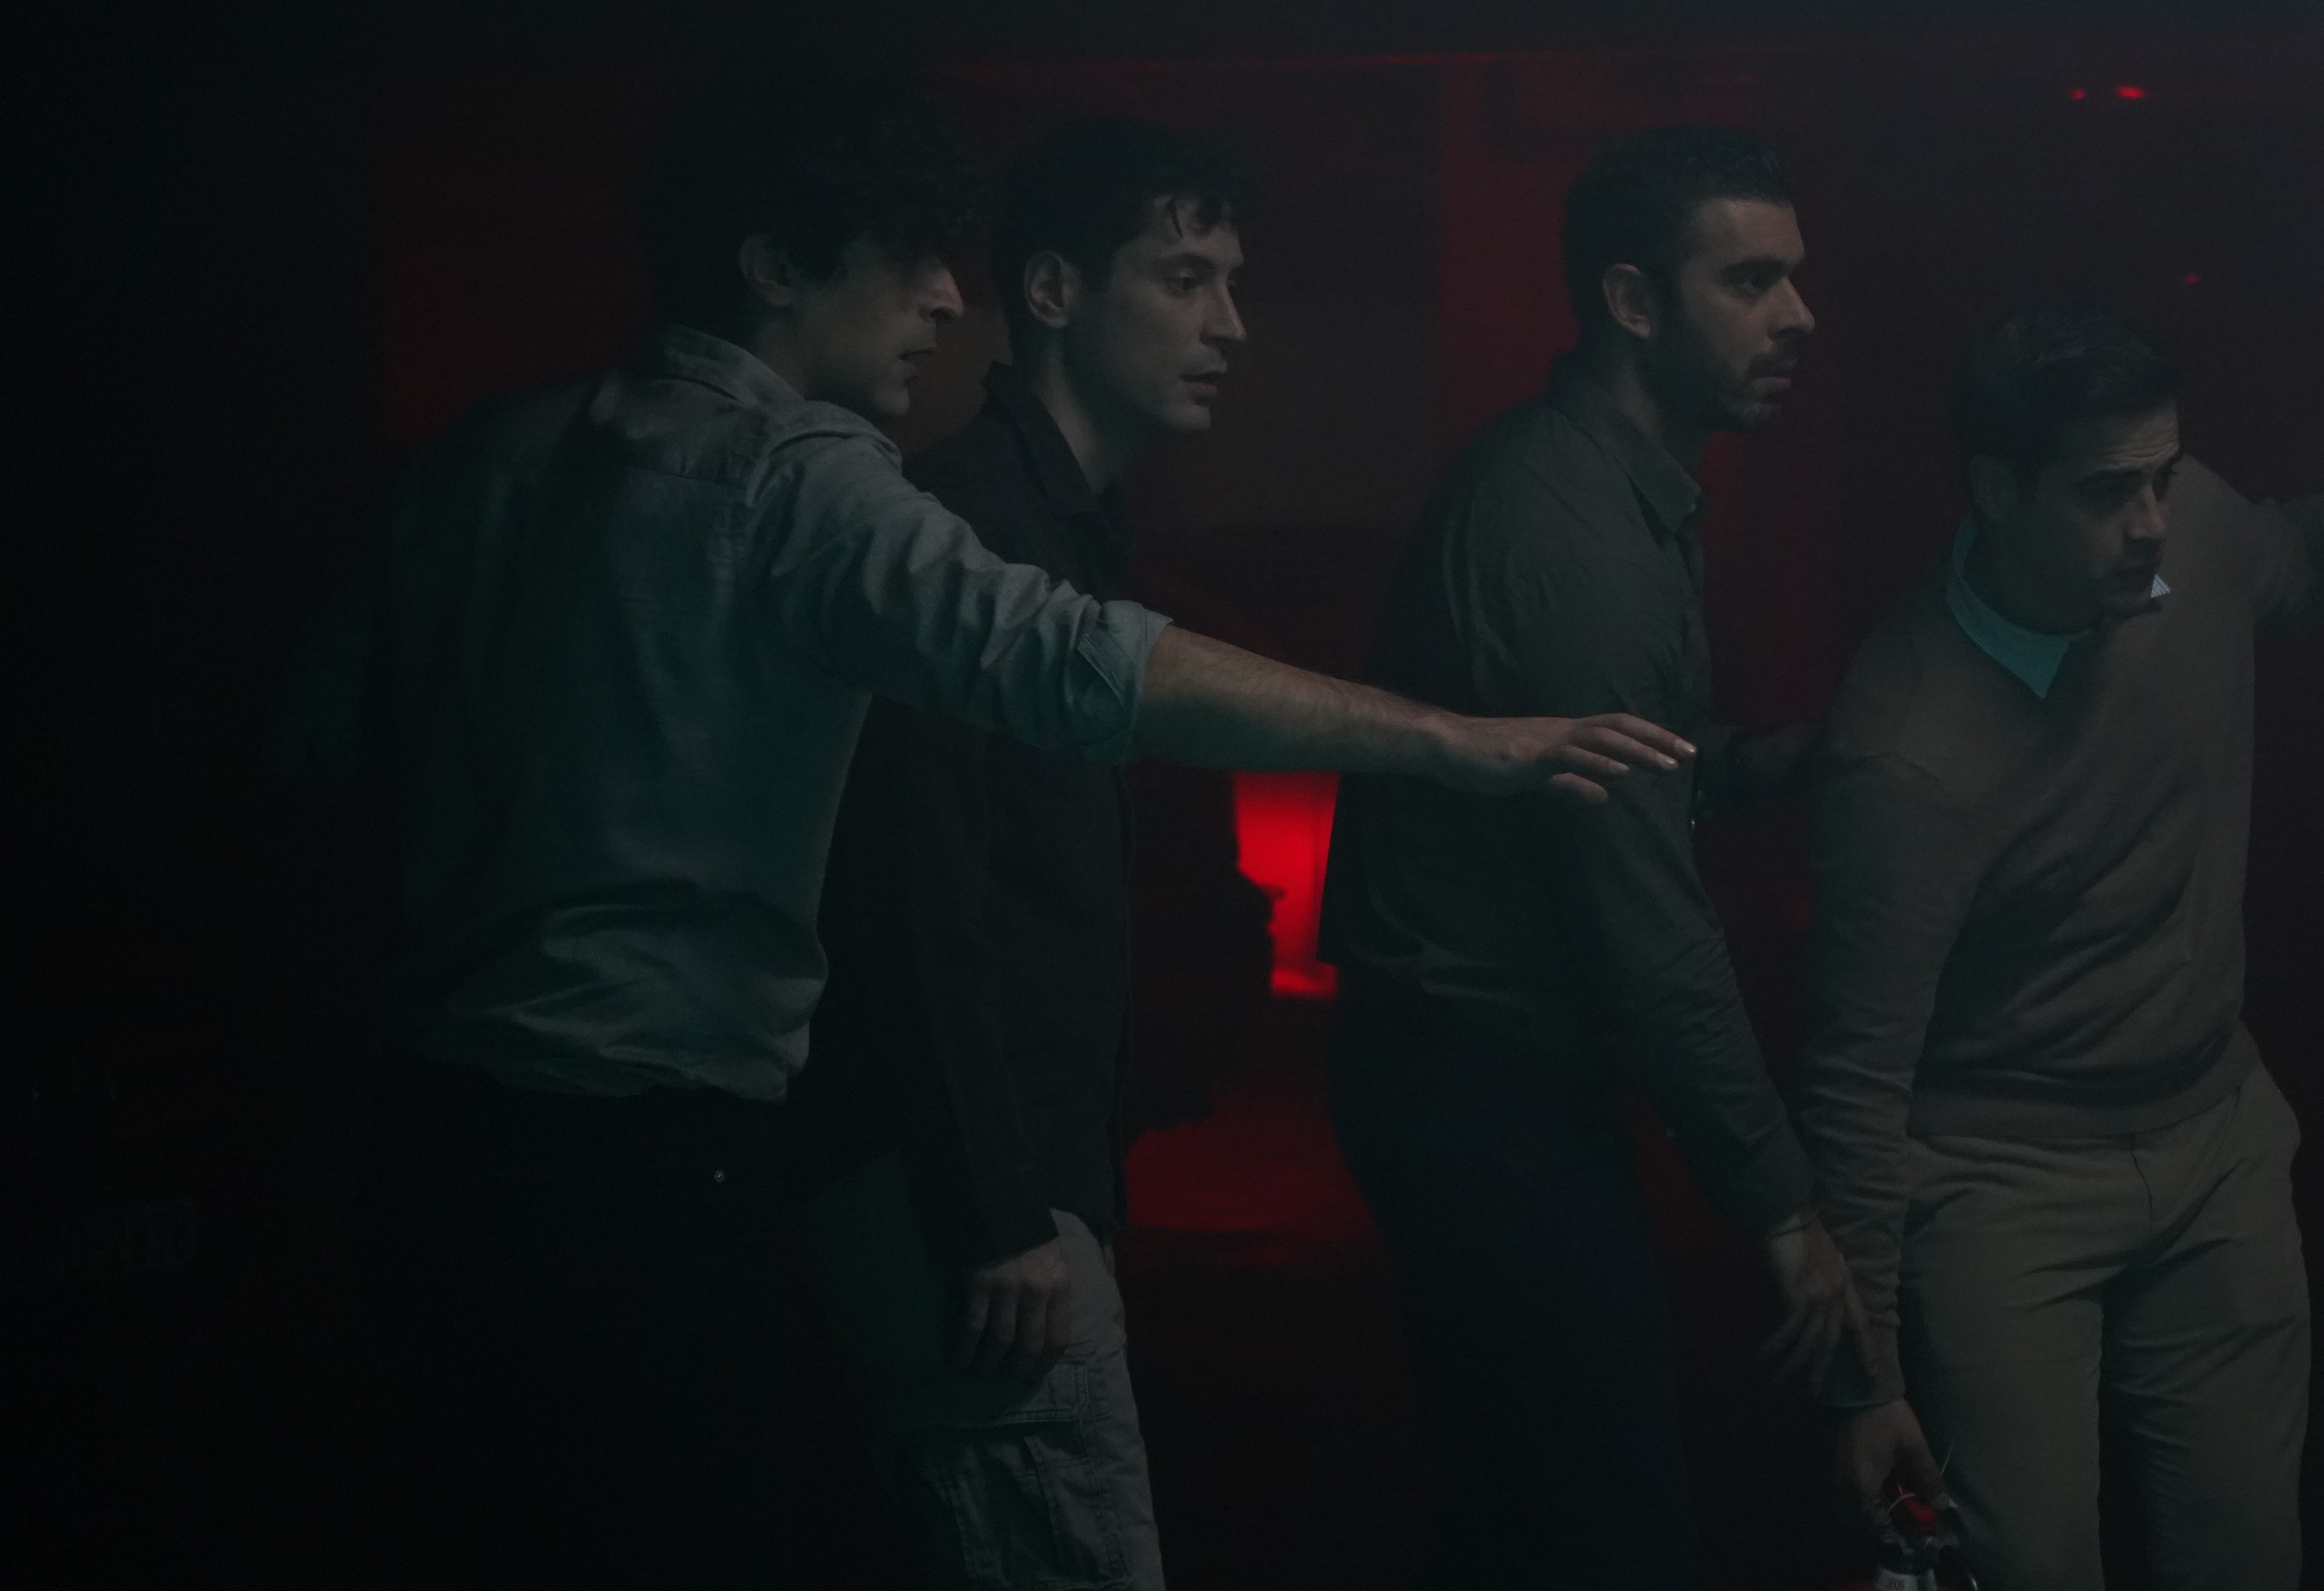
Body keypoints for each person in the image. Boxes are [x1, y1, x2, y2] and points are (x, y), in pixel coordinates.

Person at [281, 71, 1689, 1589]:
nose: (948, 298)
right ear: (773, 266)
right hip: (654, 1169)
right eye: (904, 256)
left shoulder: (483, 458)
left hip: (427, 1154)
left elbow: (313, 750)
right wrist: (1453, 739)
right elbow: (1073, 666)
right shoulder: (802, 479)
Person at [1799, 295, 2324, 1589]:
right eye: (2109, 492)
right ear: (1996, 490)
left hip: (2213, 1136)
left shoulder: (2190, 536)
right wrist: (1866, 1383)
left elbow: (2294, 555)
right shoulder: (1903, 752)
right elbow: (1855, 1081)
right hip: (2001, 1181)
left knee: (2247, 1556)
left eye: (2164, 477)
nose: (2156, 522)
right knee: (2032, 1566)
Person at [1317, 124, 1866, 1591]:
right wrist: (1784, 1209)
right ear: (1633, 302)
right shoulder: (1572, 537)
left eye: (1796, 277)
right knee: (1602, 1526)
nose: (1799, 316)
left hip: (1486, 1075)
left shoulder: (1616, 488)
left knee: (1532, 1508)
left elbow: (1635, 773)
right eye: (1750, 281)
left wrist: (1775, 761)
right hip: (1480, 1082)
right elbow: (1648, 924)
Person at [785, 115, 1261, 1590]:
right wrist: (994, 1211)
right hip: (969, 1202)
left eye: (1233, 282)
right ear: (1053, 292)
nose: (1230, 325)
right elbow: (907, 899)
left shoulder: (1071, 527)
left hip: (1017, 1186)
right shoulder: (968, 532)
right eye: (1185, 278)